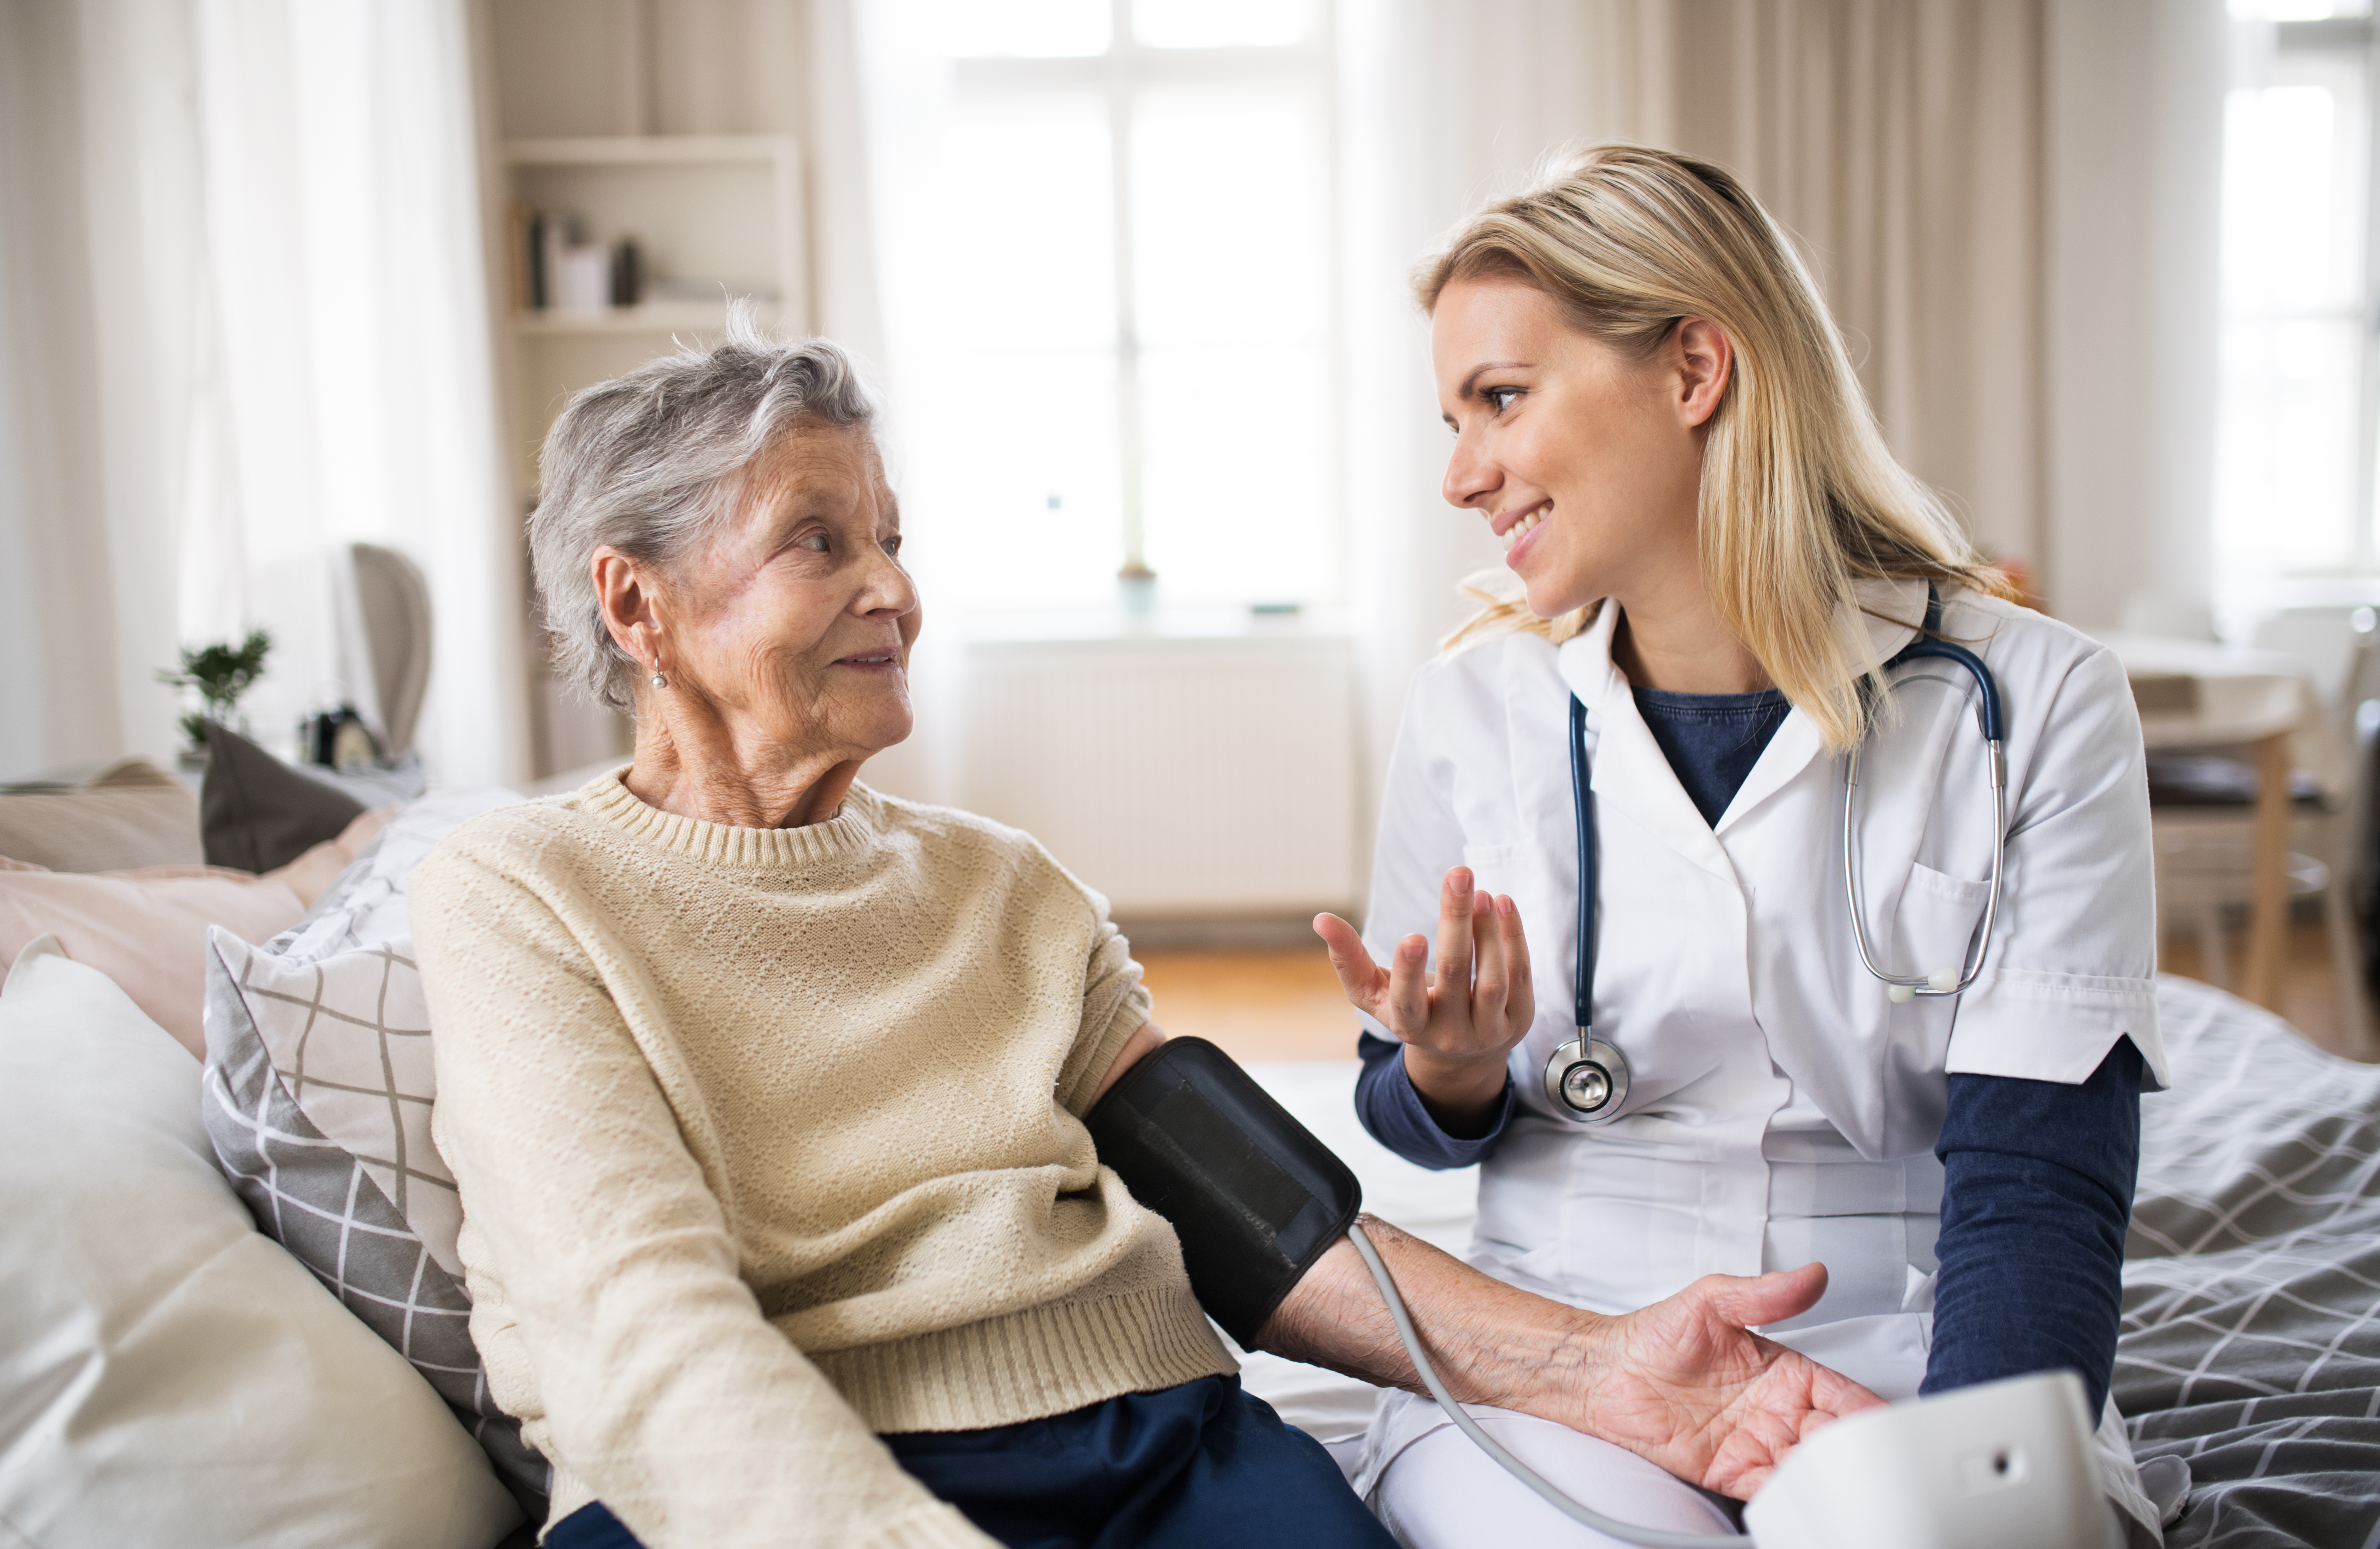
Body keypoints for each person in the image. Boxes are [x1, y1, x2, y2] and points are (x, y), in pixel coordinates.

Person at [409, 320, 1878, 1549]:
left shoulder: (1006, 888)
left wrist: (1597, 1368)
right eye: (819, 541)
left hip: (1151, 1454)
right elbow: (639, 1338)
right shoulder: (521, 895)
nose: (898, 593)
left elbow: (1269, 1231)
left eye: (893, 538)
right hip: (750, 1487)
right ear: (636, 603)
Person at [1313, 144, 2170, 1548]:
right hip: (1566, 1347)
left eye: (1501, 401)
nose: (1463, 475)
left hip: (1902, 1339)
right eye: (1453, 420)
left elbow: (2042, 1178)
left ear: (1696, 371)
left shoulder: (2037, 700)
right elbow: (1404, 1117)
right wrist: (1448, 1070)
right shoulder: (1475, 708)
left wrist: (1979, 1486)